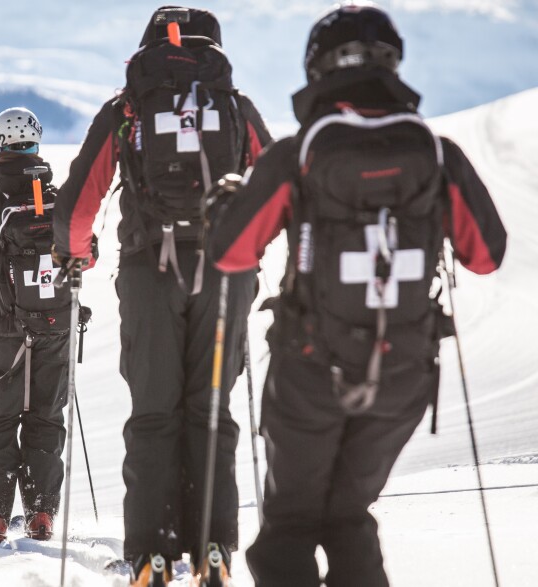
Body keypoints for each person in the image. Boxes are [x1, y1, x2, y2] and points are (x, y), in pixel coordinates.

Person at [207, 5, 507, 586]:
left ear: (317, 67)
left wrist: (229, 206)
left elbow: (232, 254)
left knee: (290, 525)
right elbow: (486, 256)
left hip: (311, 369)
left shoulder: (299, 153)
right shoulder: (438, 153)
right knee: (348, 517)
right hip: (403, 374)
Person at [51, 6, 272, 584]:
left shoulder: (128, 108)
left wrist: (73, 255)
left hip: (150, 271)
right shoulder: (234, 106)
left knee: (153, 413)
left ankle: (151, 552)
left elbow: (78, 203)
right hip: (227, 273)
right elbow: (275, 187)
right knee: (211, 411)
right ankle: (214, 547)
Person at [0, 107, 93, 544]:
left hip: (5, 334)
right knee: (46, 420)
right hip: (57, 329)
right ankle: (42, 514)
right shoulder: (61, 200)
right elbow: (89, 254)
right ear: (37, 143)